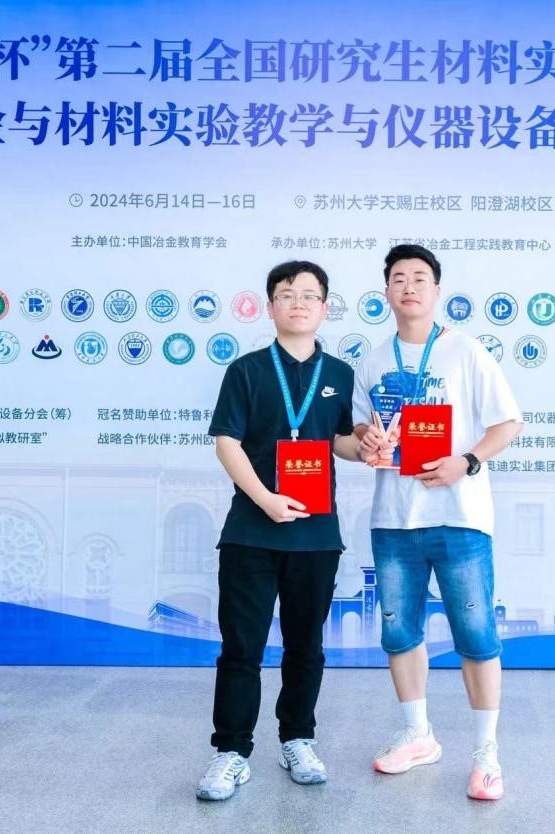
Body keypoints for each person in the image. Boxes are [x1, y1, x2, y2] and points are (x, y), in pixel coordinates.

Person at [197, 260, 381, 801]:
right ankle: (231, 751)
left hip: (316, 536)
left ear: (324, 308)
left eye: (308, 295)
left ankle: (297, 738)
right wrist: (266, 499)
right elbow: (226, 442)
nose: (297, 303)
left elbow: (339, 440)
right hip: (251, 533)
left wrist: (366, 448)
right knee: (241, 647)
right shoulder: (246, 370)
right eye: (286, 294)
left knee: (306, 646)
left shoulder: (340, 374)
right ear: (270, 306)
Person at [352, 244, 523, 801]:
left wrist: (466, 461)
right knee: (399, 631)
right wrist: (367, 441)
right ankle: (418, 734)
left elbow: (509, 423)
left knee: (476, 635)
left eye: (419, 278)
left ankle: (486, 754)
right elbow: (359, 431)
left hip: (459, 517)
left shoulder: (465, 351)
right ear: (385, 292)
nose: (409, 287)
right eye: (398, 278)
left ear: (437, 291)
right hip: (393, 518)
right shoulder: (373, 360)